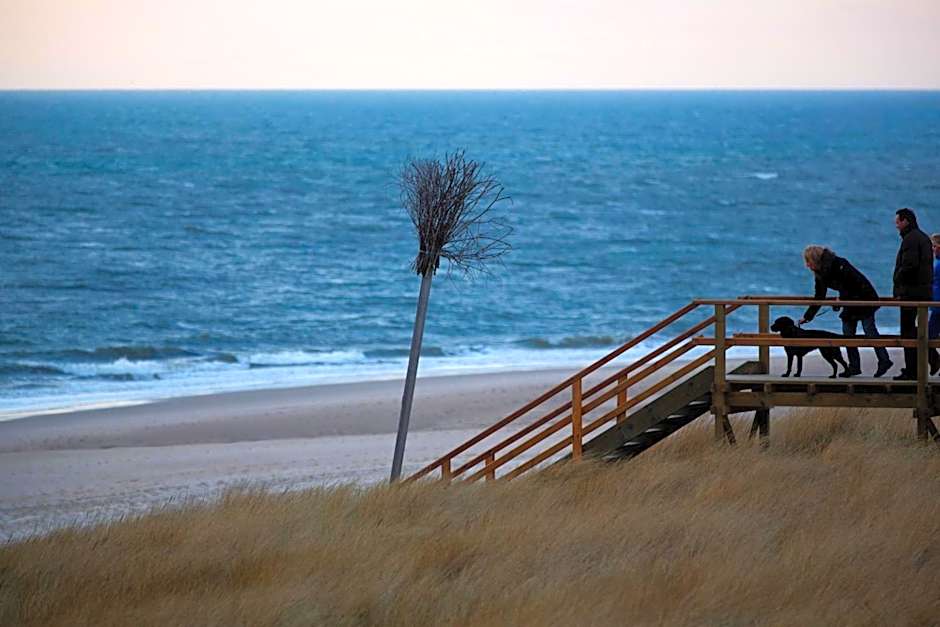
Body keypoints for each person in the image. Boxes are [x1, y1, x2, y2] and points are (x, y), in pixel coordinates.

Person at [799, 245, 892, 377]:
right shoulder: (820, 273)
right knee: (848, 333)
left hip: (865, 297)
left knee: (869, 330)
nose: (807, 265)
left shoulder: (839, 264)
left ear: (815, 259)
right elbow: (819, 295)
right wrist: (808, 317)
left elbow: (849, 283)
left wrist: (840, 300)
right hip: (849, 301)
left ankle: (884, 360)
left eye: (808, 261)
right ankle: (854, 366)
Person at [892, 208, 938, 380]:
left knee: (907, 331)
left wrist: (897, 279)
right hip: (924, 292)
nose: (896, 225)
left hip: (911, 293)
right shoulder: (923, 238)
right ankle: (930, 359)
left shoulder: (911, 239)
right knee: (917, 331)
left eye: (898, 221)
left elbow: (909, 266)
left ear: (906, 221)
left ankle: (913, 369)